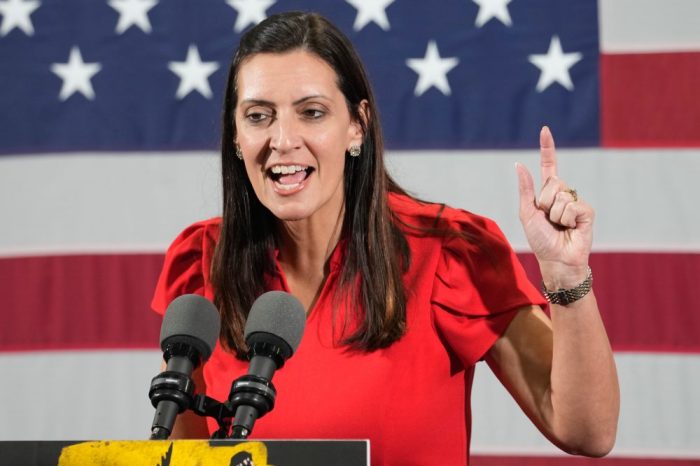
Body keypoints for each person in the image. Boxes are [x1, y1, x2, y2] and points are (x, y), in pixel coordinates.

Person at [151, 11, 619, 466]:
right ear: (236, 135)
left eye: (312, 113)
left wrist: (567, 276)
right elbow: (183, 457)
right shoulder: (202, 261)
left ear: (357, 125)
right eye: (258, 116)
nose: (283, 139)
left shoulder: (449, 253)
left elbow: (587, 430)